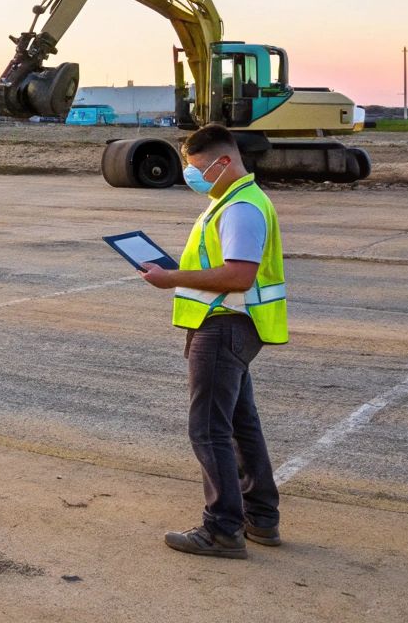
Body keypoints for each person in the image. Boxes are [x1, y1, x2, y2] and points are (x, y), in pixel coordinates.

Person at [137, 124, 287, 558]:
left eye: (199, 168)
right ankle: (261, 518)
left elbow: (239, 275)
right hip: (232, 326)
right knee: (241, 425)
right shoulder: (230, 201)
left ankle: (222, 529)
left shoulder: (240, 208)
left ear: (224, 161)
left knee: (208, 430)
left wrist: (171, 280)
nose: (193, 176)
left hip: (224, 326)